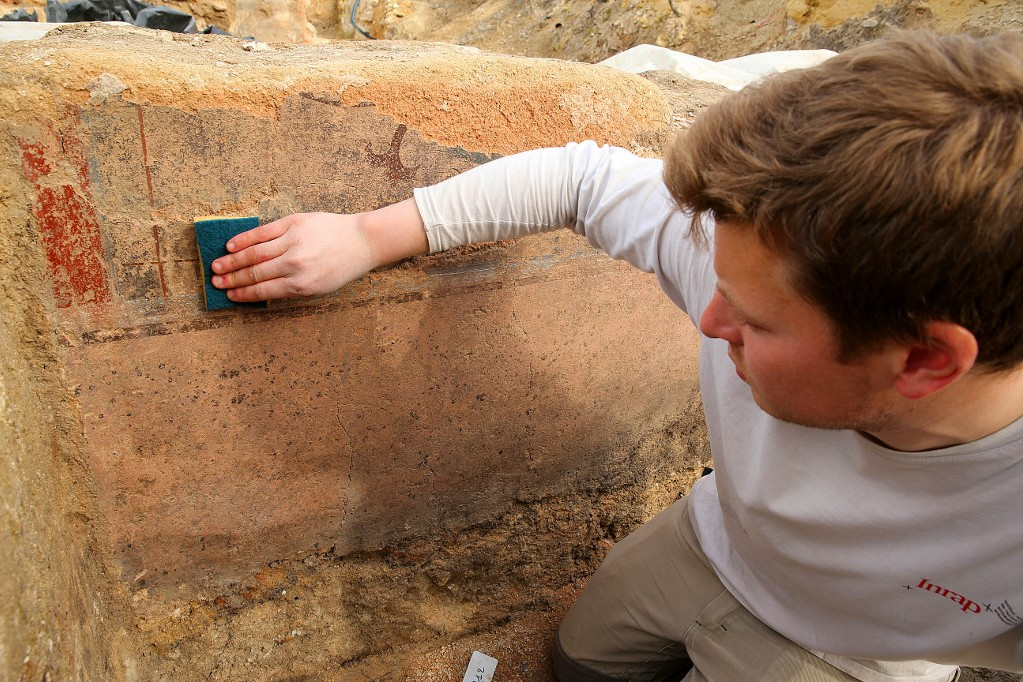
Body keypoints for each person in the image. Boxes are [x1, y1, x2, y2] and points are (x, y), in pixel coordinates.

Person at [209, 30, 1023, 681]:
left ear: (922, 362)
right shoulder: (777, 258)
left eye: (752, 321)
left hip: (847, 656)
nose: (707, 320)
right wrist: (365, 235)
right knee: (580, 658)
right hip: (710, 548)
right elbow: (581, 179)